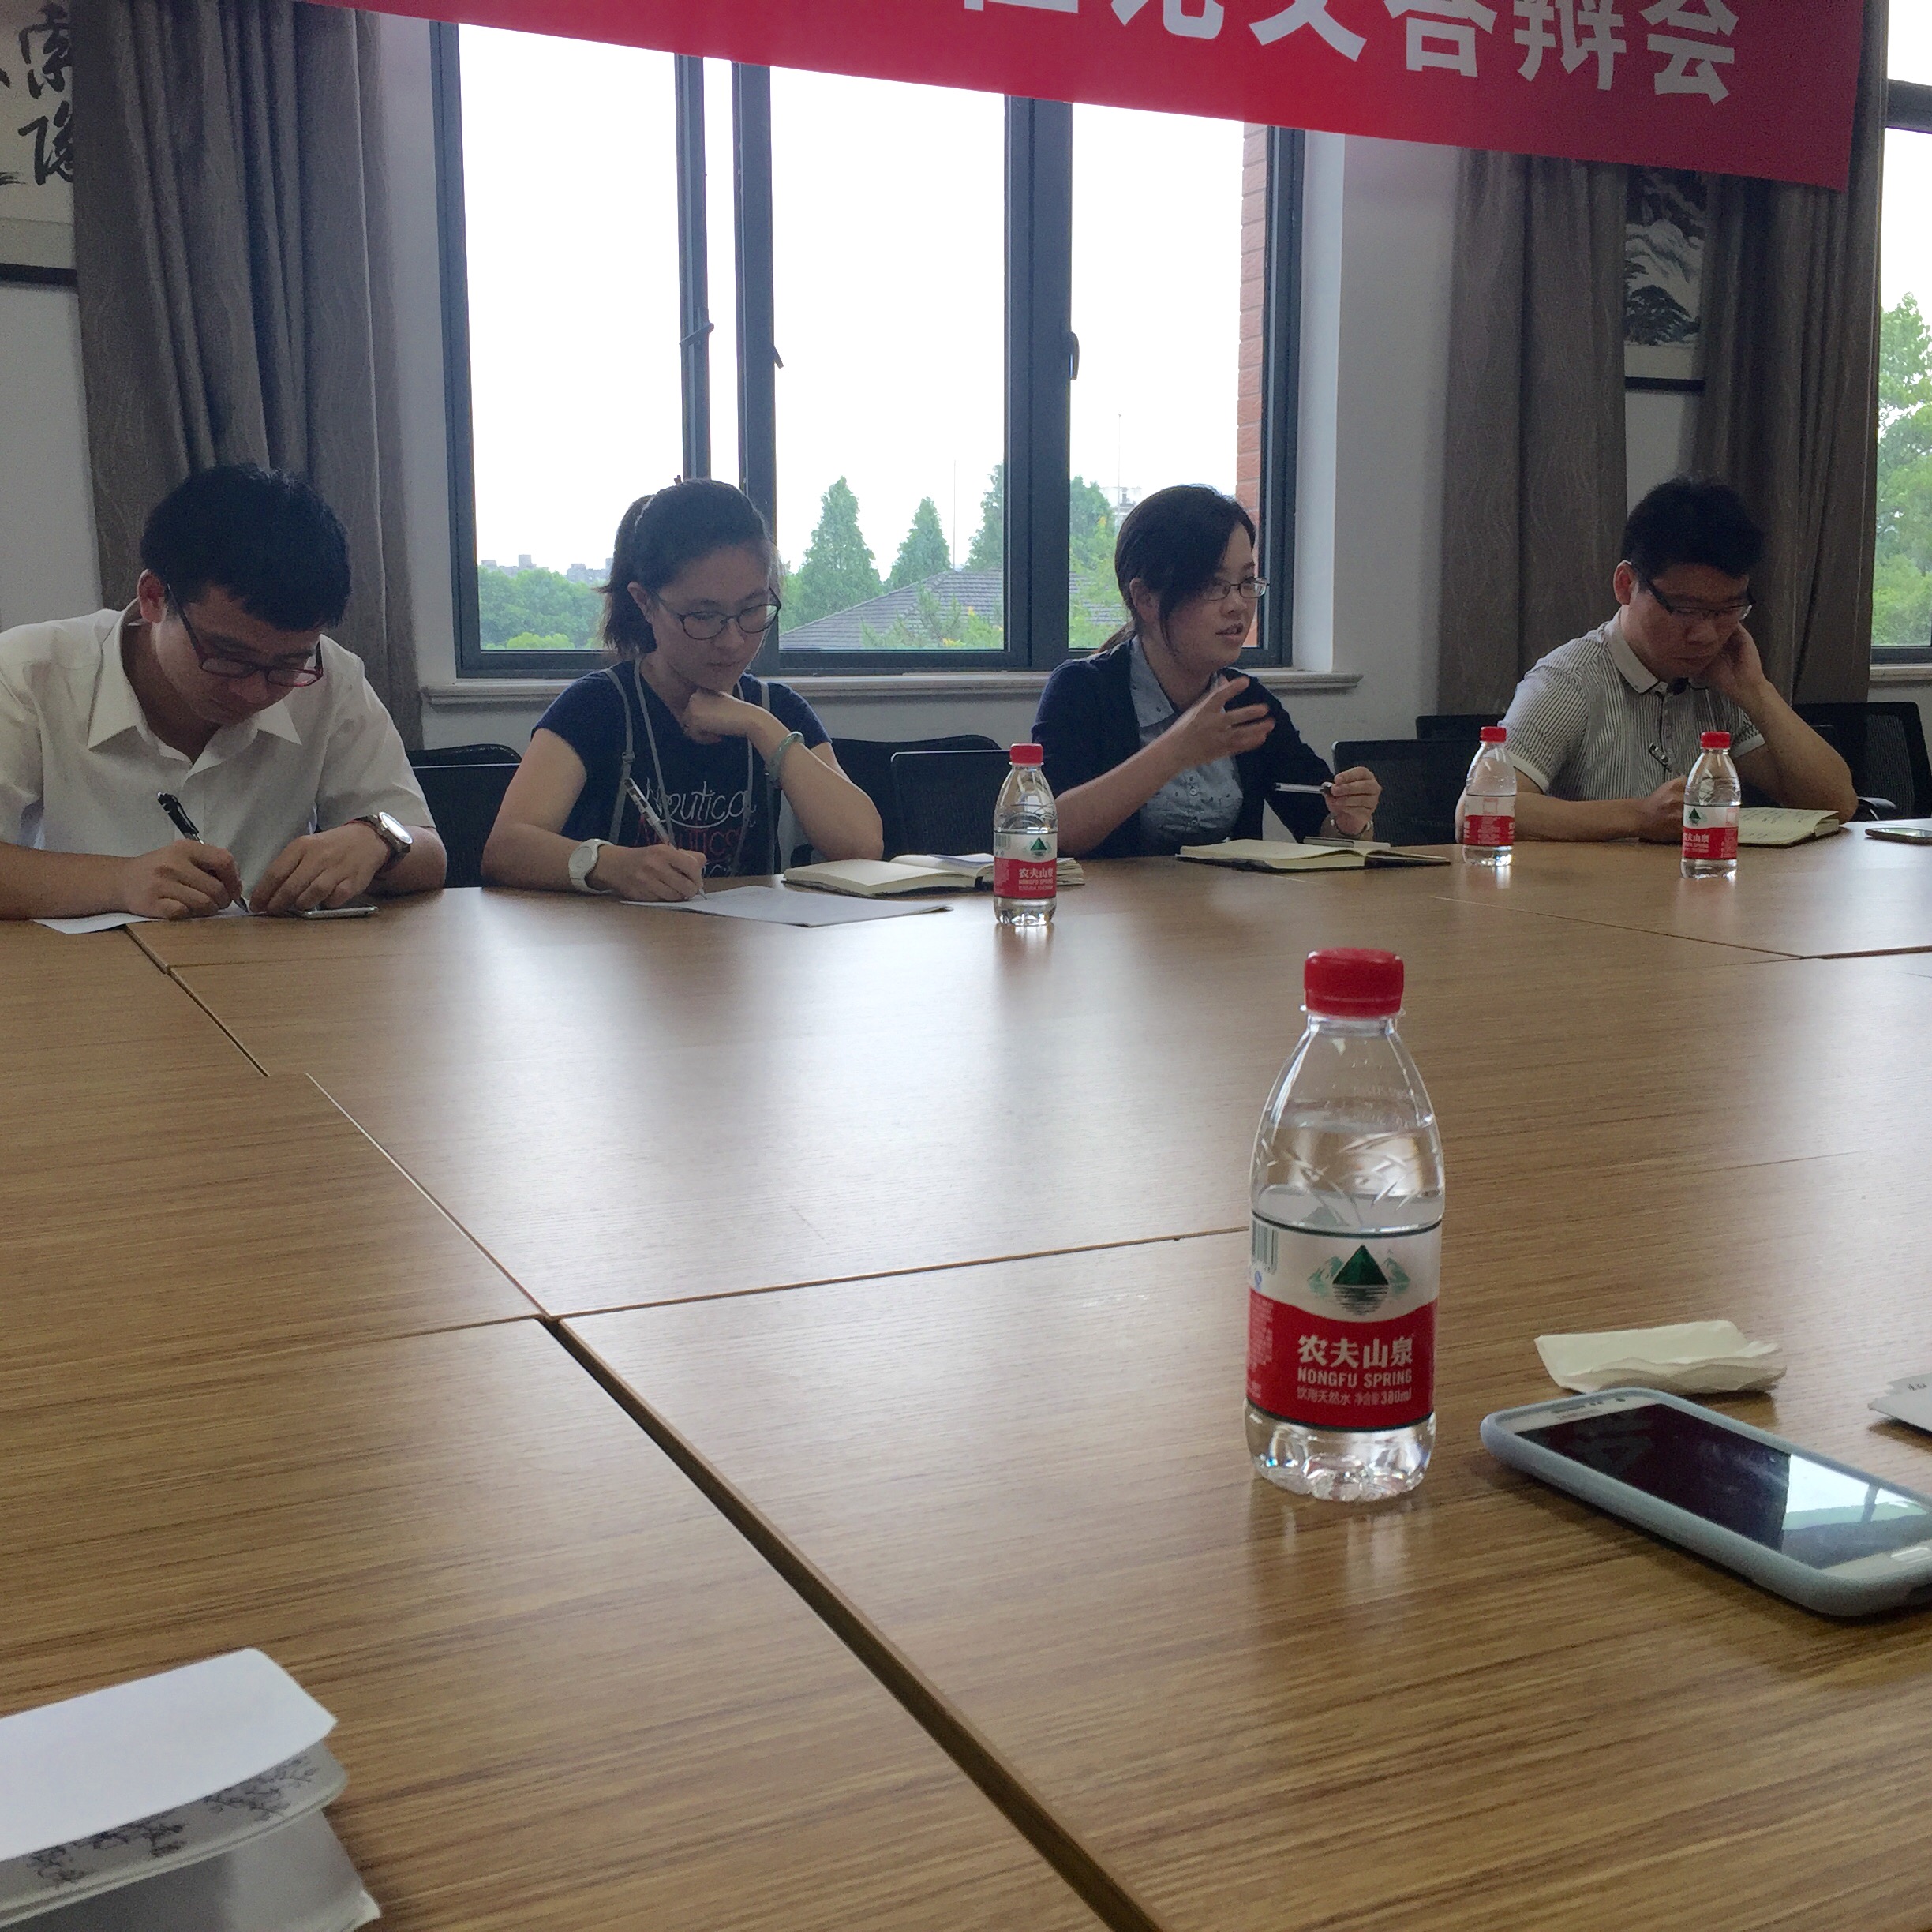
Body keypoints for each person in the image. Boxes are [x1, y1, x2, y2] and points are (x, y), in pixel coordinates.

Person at [0, 465, 445, 920]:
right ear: (154, 597)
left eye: (287, 665)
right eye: (229, 656)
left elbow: (429, 854)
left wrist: (376, 838)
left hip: (270, 958)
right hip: (84, 962)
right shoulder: (27, 673)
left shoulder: (332, 675)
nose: (254, 692)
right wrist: (120, 881)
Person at [482, 480, 881, 899]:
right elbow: (505, 848)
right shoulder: (597, 706)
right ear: (645, 602)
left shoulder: (774, 709)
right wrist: (608, 864)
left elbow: (862, 847)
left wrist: (760, 726)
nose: (732, 641)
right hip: (620, 936)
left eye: (752, 609)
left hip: (750, 935)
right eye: (703, 617)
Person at [1495, 478, 1857, 841]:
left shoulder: (1722, 681)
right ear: (1626, 584)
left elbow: (1836, 804)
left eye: (1728, 610)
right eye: (1685, 609)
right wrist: (1639, 816)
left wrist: (1756, 691)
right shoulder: (1569, 680)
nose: (1706, 635)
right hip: (1595, 879)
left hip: (1705, 875)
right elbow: (1484, 807)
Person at [1032, 485, 1380, 858]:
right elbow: (1050, 833)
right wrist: (1176, 750)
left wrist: (1350, 820)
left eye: (1247, 583)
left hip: (1227, 897)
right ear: (1146, 599)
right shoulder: (1082, 689)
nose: (1238, 606)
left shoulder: (1248, 700)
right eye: (1214, 585)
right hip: (1109, 898)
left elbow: (1319, 828)